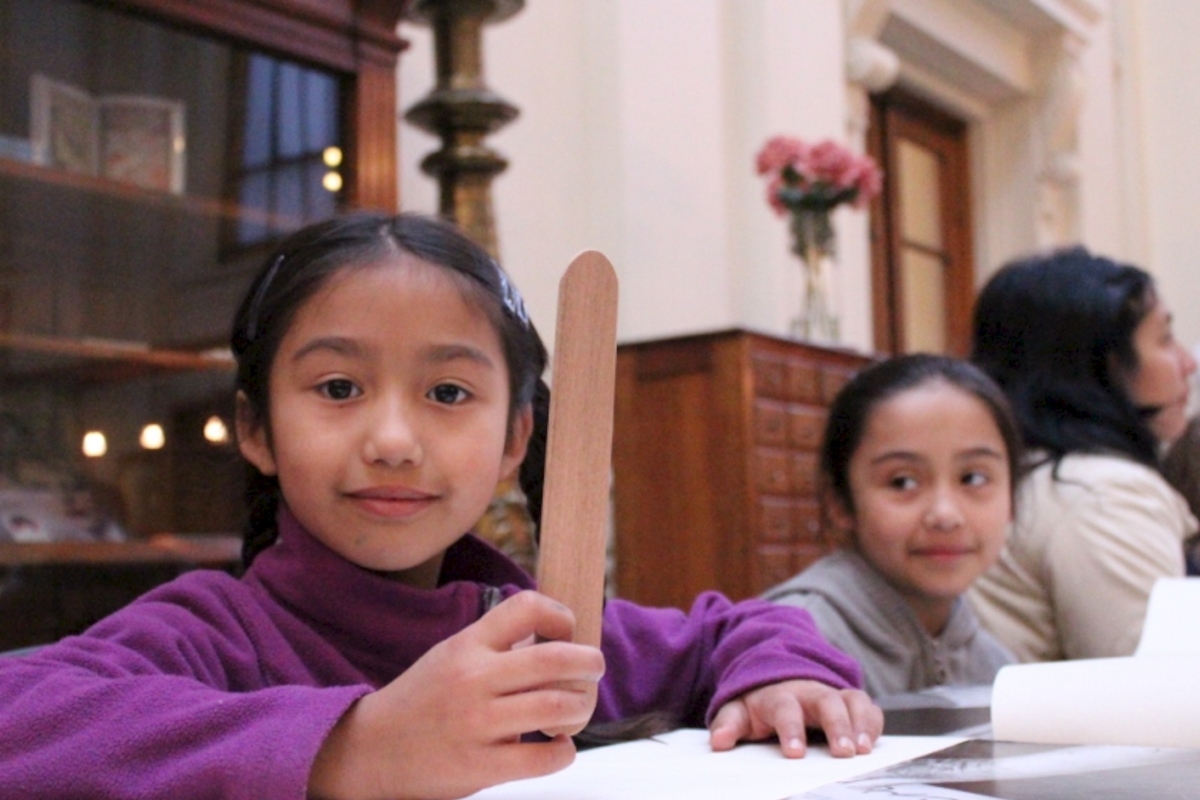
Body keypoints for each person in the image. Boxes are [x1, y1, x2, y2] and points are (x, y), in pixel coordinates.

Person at [0, 212, 882, 800]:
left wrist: (784, 679)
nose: (393, 439)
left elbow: (733, 633)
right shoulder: (214, 633)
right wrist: (353, 744)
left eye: (449, 393)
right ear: (256, 430)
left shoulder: (545, 640)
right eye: (339, 386)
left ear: (513, 441)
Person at [968, 246, 1199, 662]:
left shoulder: (1030, 474)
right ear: (1104, 366)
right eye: (1164, 338)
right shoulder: (1103, 494)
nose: (1188, 363)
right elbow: (1160, 689)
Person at [762, 354, 1019, 698]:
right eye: (902, 482)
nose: (944, 514)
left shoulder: (992, 663)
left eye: (973, 477)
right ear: (839, 501)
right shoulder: (796, 650)